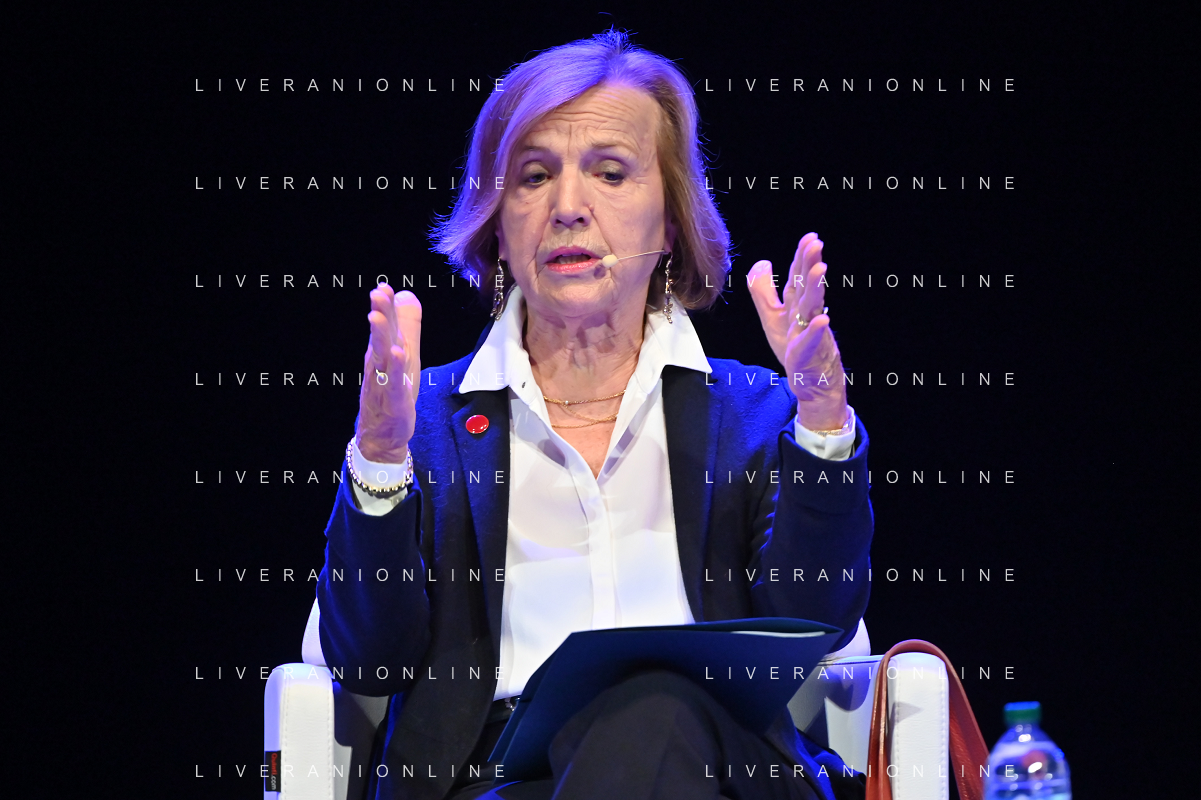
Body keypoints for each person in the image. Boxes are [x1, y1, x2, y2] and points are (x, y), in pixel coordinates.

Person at [313, 30, 873, 800]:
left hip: (717, 773)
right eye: (533, 176)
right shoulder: (426, 426)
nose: (568, 208)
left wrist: (823, 421)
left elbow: (817, 620)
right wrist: (379, 457)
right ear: (497, 224)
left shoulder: (754, 413)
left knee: (652, 710)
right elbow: (368, 663)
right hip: (495, 782)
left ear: (670, 221)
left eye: (609, 173)